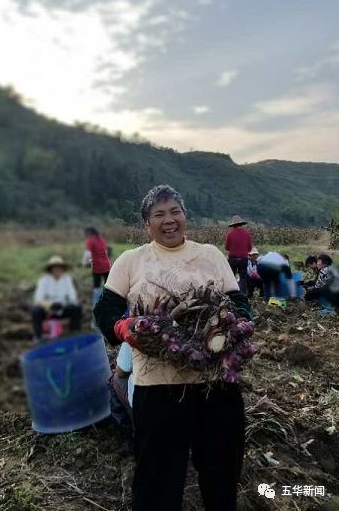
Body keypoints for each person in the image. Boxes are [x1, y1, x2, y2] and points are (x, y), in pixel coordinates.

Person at [94, 185, 251, 511]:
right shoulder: (131, 261)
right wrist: (123, 327)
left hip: (216, 385)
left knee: (222, 471)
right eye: (159, 214)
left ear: (185, 216)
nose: (169, 220)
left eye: (175, 212)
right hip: (159, 389)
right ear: (146, 223)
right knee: (157, 479)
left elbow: (240, 305)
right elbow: (105, 311)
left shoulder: (209, 255)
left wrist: (227, 326)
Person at [31, 255, 82, 339]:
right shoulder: (44, 280)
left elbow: (73, 298)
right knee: (35, 311)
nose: (57, 269)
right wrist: (50, 306)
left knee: (77, 308)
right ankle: (38, 337)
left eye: (59, 267)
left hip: (63, 308)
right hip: (48, 310)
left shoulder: (67, 279)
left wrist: (63, 305)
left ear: (62, 268)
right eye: (55, 267)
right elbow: (38, 298)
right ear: (51, 269)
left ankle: (75, 335)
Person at [108, 342, 134, 455]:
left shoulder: (140, 329)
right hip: (184, 405)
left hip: (149, 404)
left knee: (115, 380)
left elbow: (121, 371)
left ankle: (127, 441)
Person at [83, 227, 111, 307]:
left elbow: (87, 253)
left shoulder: (90, 240)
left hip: (97, 266)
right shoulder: (102, 240)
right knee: (108, 286)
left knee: (96, 286)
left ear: (89, 233)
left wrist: (85, 263)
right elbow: (105, 252)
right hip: (106, 265)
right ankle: (108, 302)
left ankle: (96, 305)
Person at [225, 215, 253, 294]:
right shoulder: (247, 234)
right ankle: (242, 294)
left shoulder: (230, 234)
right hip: (243, 259)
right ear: (241, 224)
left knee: (231, 277)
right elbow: (250, 248)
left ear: (233, 225)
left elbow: (227, 247)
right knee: (243, 277)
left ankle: (231, 293)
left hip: (232, 259)